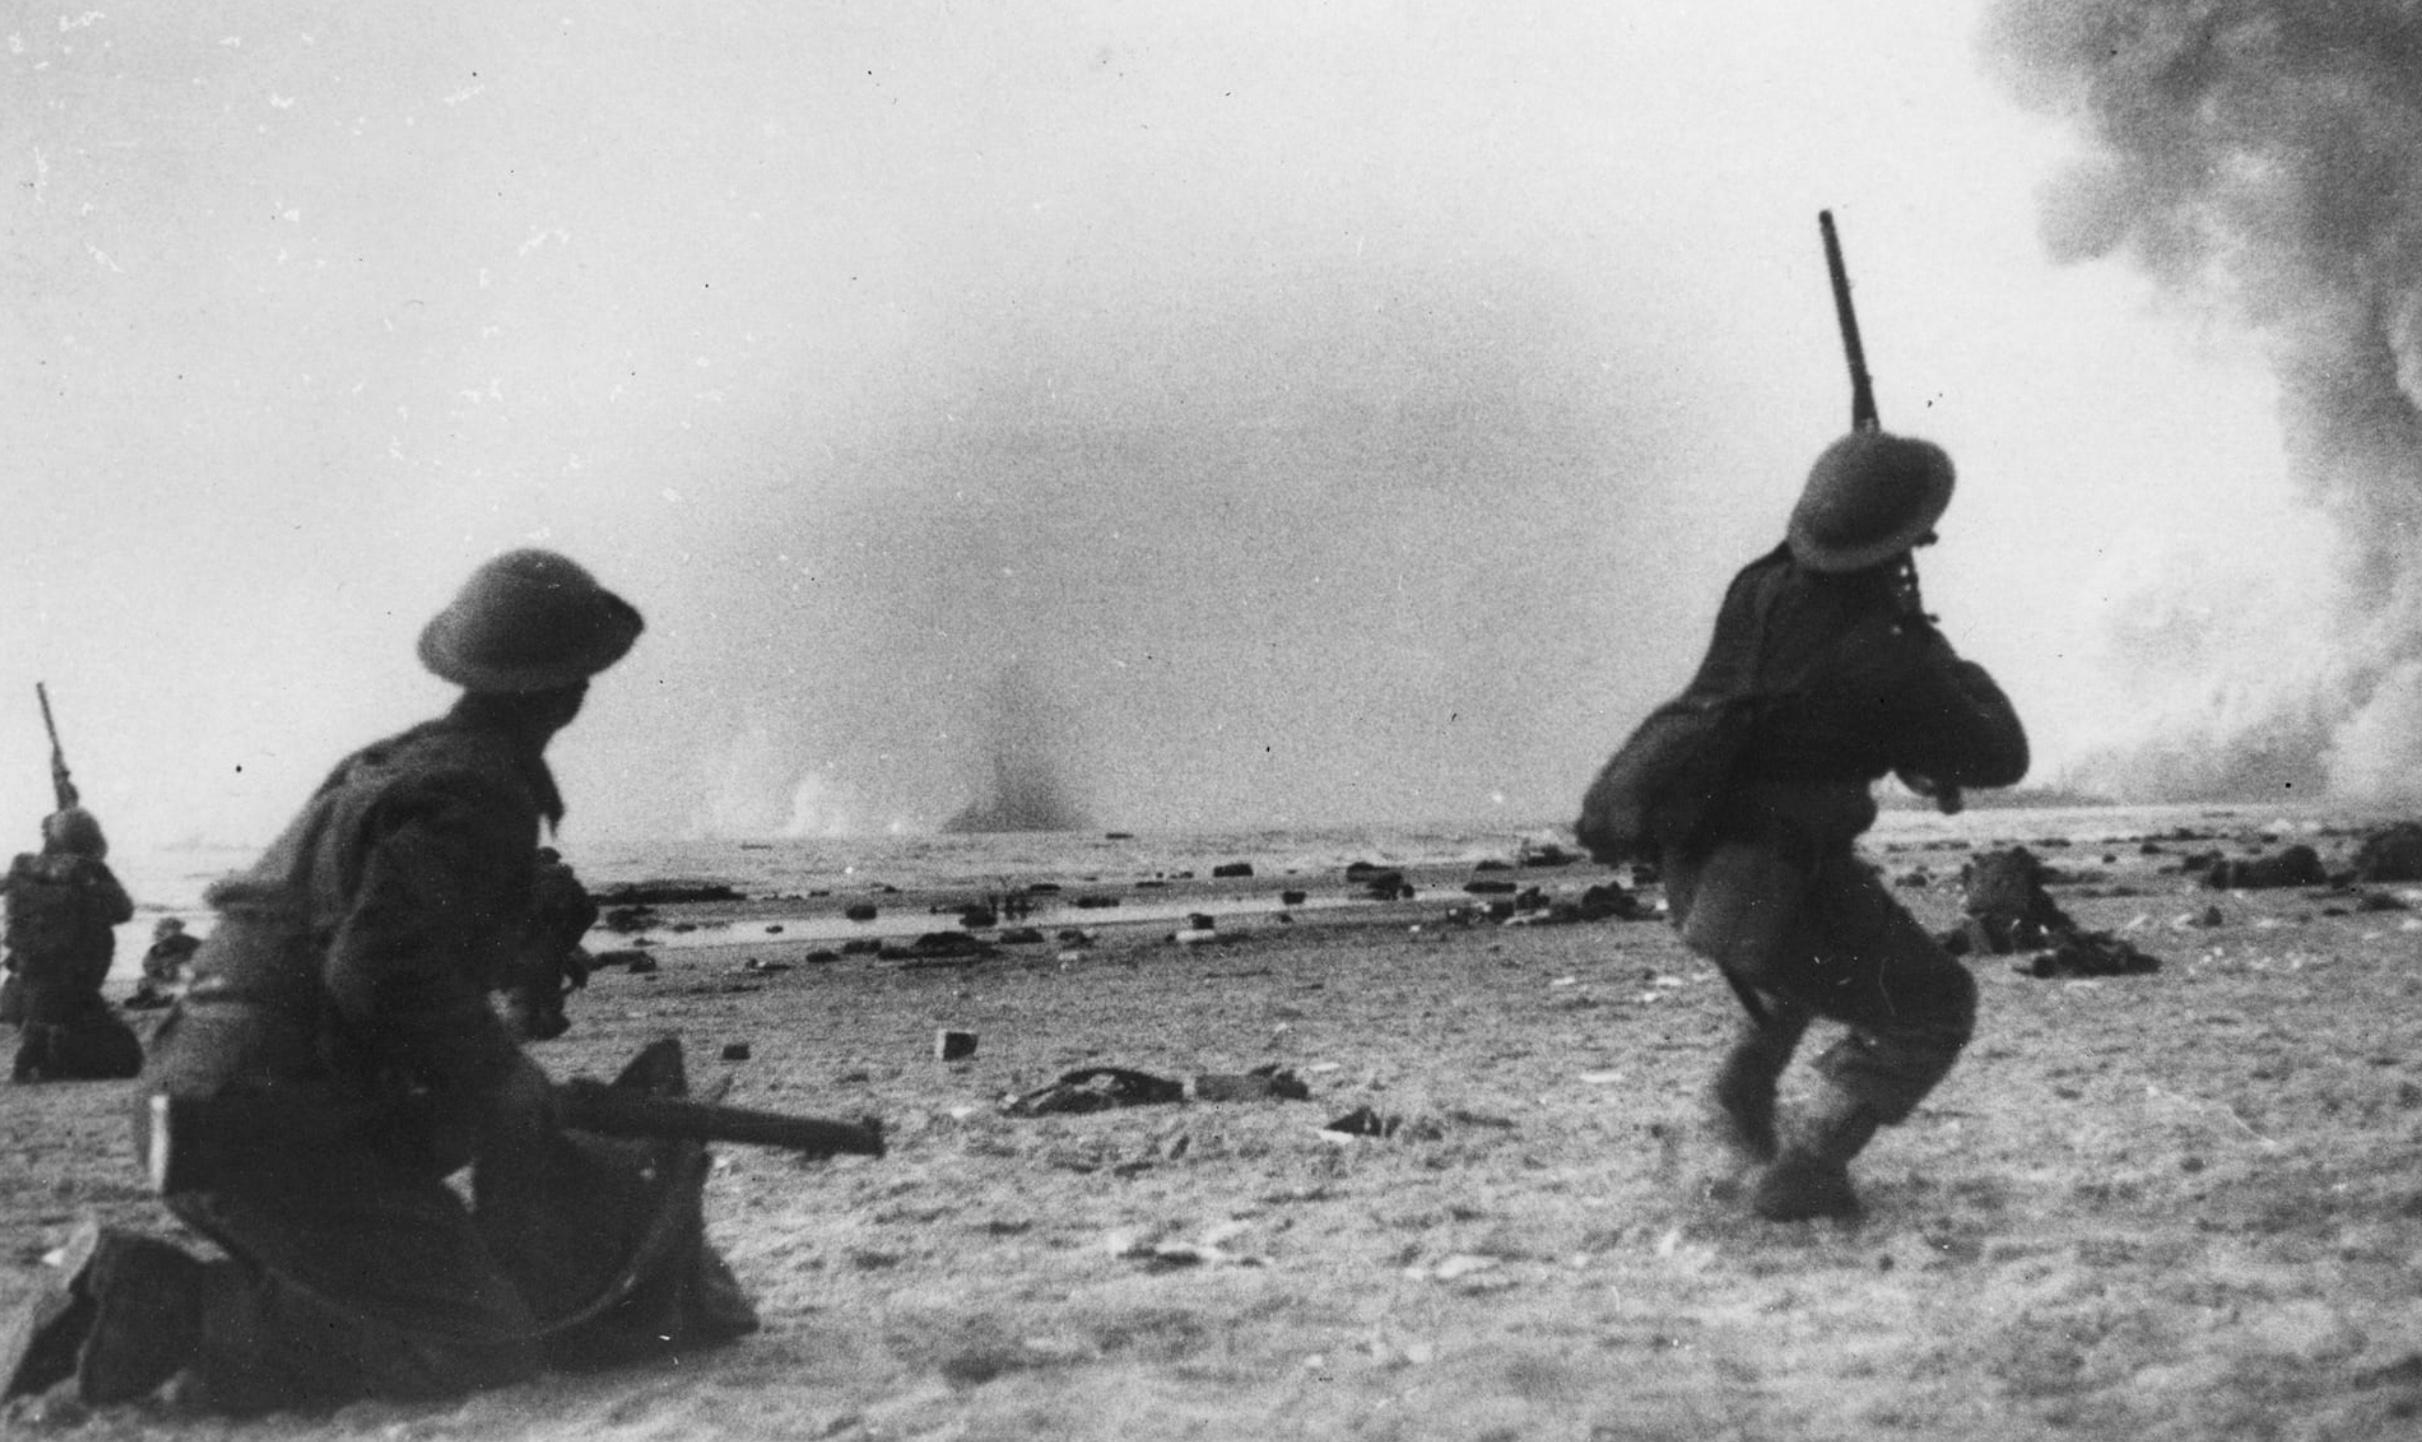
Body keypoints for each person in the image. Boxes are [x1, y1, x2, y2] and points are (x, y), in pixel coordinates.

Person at [1, 549, 757, 1415]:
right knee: (479, 1343)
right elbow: (375, 966)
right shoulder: (477, 791)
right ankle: (171, 1310)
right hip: (267, 1117)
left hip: (204, 1090)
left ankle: (145, 1302)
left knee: (429, 1276)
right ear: (571, 688)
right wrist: (502, 1073)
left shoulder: (394, 765)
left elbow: (355, 947)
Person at [1653, 431, 2028, 1222]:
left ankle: (1731, 1108)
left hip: (1695, 861)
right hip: (1783, 877)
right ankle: (1808, 1163)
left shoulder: (1758, 588)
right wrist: (1938, 653)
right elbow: (2001, 754)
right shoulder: (1889, 651)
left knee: (1795, 981)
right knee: (1935, 1006)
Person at [2, 806, 141, 1081]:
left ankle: (42, 1042)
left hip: (17, 993)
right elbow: (123, 910)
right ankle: (50, 1047)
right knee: (127, 1059)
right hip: (70, 990)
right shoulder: (88, 871)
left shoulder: (22, 869)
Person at [502, 847, 599, 1041]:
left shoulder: (523, 881)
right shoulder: (567, 882)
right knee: (548, 987)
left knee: (523, 990)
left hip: (527, 946)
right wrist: (568, 939)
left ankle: (527, 1030)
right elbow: (589, 911)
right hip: (553, 946)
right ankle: (546, 1024)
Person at [124, 918, 203, 1011]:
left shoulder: (191, 943)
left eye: (176, 932)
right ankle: (152, 997)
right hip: (169, 981)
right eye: (163, 933)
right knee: (144, 982)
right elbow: (150, 969)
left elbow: (205, 958)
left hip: (188, 980)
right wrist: (163, 971)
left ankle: (161, 997)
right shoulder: (154, 952)